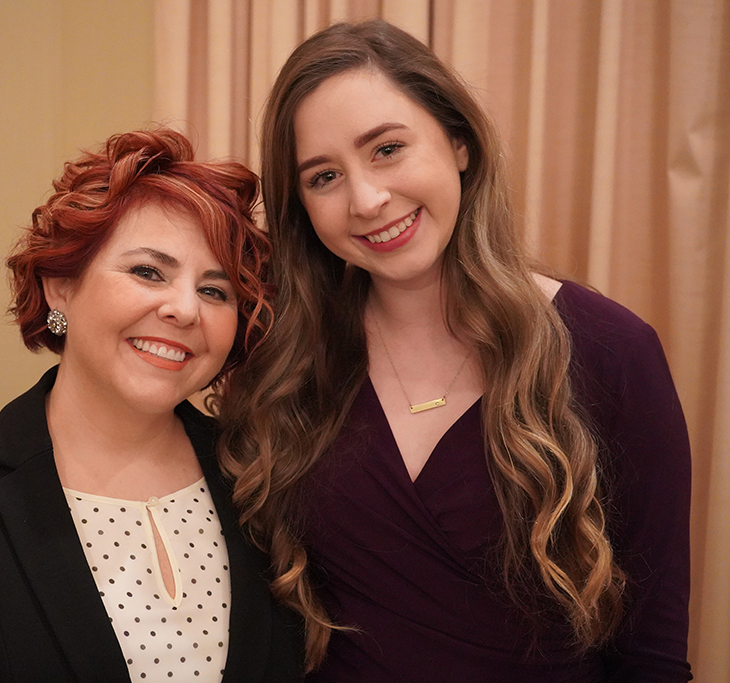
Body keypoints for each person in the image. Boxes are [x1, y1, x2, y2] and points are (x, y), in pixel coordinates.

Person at [218, 19, 692, 682]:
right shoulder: (281, 354)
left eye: (386, 149)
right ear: (302, 204)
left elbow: (652, 657)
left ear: (458, 142)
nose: (367, 199)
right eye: (324, 176)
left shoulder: (615, 352)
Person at [0, 128, 304, 683]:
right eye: (149, 271)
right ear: (60, 284)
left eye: (215, 291)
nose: (184, 309)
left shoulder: (266, 480)